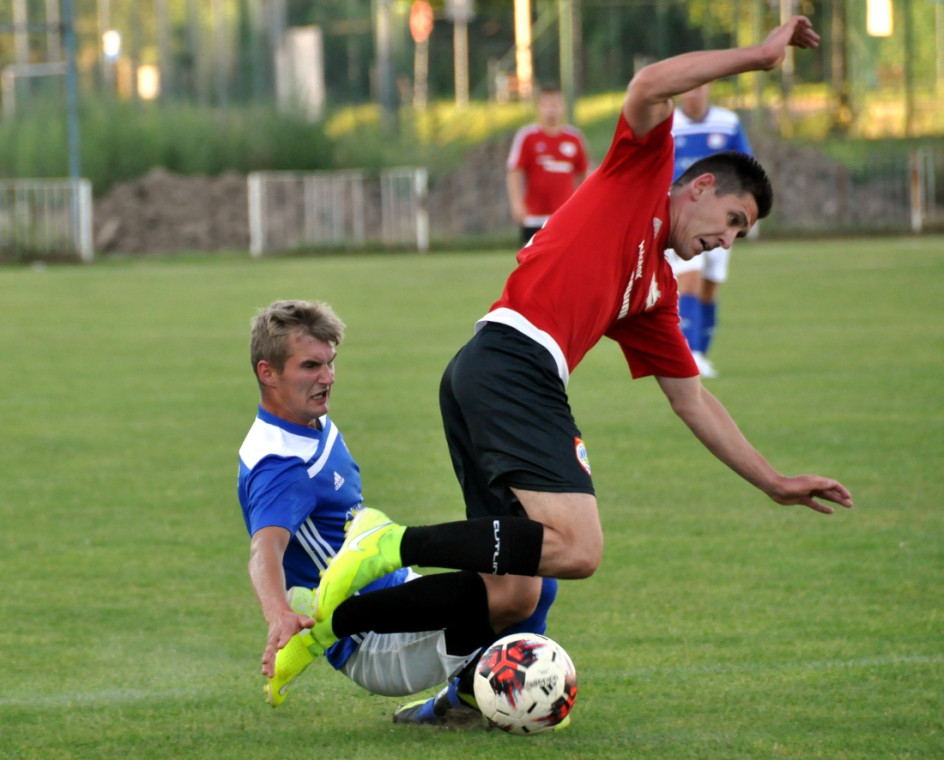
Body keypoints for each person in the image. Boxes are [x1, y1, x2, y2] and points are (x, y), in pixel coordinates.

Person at [272, 17, 852, 701]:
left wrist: (772, 480)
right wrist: (756, 57)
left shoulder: (655, 294)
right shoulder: (641, 172)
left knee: (513, 593)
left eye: (740, 235)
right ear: (697, 188)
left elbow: (692, 399)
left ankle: (328, 625)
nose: (727, 240)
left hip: (483, 373)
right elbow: (647, 84)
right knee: (577, 547)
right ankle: (389, 544)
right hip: (512, 362)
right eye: (732, 220)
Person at [240, 299, 557, 722]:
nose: (328, 378)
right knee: (517, 590)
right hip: (370, 642)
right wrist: (278, 613)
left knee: (534, 576)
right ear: (268, 372)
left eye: (331, 364)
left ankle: (460, 705)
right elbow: (264, 550)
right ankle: (326, 636)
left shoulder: (305, 422)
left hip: (398, 593)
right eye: (311, 367)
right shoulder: (282, 465)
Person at [665, 84, 754, 377]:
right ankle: (690, 355)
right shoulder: (669, 125)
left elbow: (746, 168)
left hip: (720, 221)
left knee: (710, 286)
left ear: (709, 88)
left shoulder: (727, 122)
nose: (694, 93)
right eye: (688, 88)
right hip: (684, 219)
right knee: (688, 280)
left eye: (700, 87)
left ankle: (701, 352)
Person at [506, 85, 590, 245]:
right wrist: (516, 203)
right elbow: (514, 171)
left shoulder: (574, 138)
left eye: (556, 104)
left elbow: (584, 175)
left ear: (564, 107)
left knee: (565, 262)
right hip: (534, 216)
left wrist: (583, 206)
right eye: (547, 104)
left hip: (565, 215)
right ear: (539, 108)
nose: (552, 109)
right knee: (531, 263)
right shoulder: (527, 136)